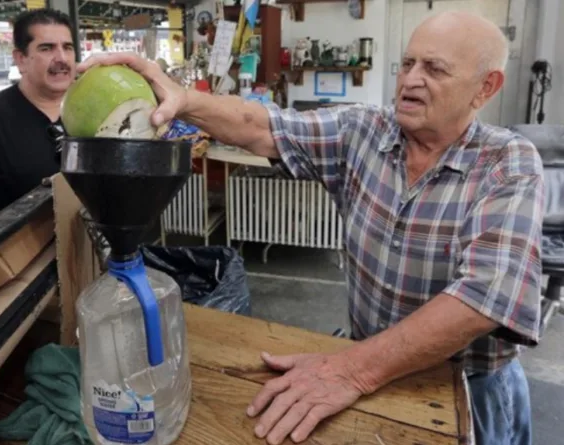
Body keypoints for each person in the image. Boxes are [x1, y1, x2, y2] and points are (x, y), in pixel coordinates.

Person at [79, 11, 542, 445]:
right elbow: (262, 125)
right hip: (367, 368)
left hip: (463, 388)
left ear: (486, 88)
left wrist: (352, 372)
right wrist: (183, 100)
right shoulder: (366, 132)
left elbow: (485, 297)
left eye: (435, 69)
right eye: (407, 63)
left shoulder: (507, 163)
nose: (411, 80)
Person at [0, 8, 75, 235]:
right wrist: (2, 262)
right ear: (21, 59)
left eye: (67, 47)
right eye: (46, 48)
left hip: (94, 252)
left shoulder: (91, 107)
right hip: (24, 260)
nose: (62, 59)